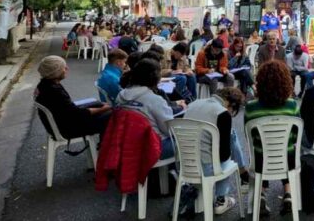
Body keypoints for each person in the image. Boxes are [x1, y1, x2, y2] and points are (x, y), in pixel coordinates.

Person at [244, 61, 299, 216]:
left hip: (261, 159)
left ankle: (260, 193)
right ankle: (288, 193)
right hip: (287, 158)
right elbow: (295, 136)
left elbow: (250, 137)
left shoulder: (251, 107)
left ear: (259, 82)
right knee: (287, 150)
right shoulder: (292, 106)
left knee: (260, 150)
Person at [184, 87, 248, 215]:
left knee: (228, 137)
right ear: (231, 104)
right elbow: (224, 156)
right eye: (233, 111)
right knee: (229, 146)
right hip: (206, 168)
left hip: (184, 165)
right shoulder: (222, 113)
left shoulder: (192, 105)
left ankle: (243, 173)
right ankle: (221, 199)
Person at [34, 56, 112, 139]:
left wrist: (101, 106)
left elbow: (68, 109)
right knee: (114, 114)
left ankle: (105, 142)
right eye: (64, 68)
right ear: (55, 72)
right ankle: (107, 146)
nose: (67, 68)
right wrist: (103, 109)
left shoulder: (45, 84)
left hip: (61, 121)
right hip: (66, 129)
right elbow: (77, 114)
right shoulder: (54, 91)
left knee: (98, 104)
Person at [117, 59, 176, 159]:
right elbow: (169, 130)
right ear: (156, 78)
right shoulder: (154, 100)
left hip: (127, 143)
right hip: (151, 146)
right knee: (189, 141)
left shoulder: (121, 95)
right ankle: (175, 171)